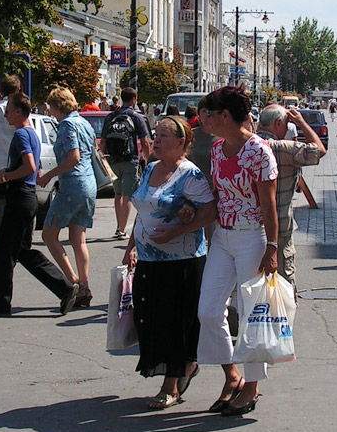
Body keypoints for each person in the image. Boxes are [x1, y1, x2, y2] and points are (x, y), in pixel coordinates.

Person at [122, 116, 217, 409]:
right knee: (148, 318)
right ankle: (187, 364)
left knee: (173, 323)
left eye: (164, 136)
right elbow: (143, 210)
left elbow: (211, 211)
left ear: (181, 144)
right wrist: (131, 245)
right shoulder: (150, 168)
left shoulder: (190, 175)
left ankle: (171, 387)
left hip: (182, 261)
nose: (156, 140)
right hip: (149, 259)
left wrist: (178, 229)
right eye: (155, 135)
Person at [196, 85, 279, 417]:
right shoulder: (218, 149)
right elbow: (219, 197)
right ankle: (232, 374)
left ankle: (252, 386)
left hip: (251, 239)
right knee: (208, 311)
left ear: (225, 116)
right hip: (222, 237)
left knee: (250, 314)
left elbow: (269, 204)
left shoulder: (259, 152)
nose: (205, 120)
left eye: (209, 115)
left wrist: (272, 248)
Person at [0, 92, 79, 318]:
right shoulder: (31, 133)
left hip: (19, 197)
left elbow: (30, 167)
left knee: (3, 254)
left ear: (18, 112)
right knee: (22, 252)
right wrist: (8, 172)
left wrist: (5, 177)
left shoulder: (22, 135)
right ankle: (64, 289)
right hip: (27, 197)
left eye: (8, 111)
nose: (4, 115)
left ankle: (0, 305)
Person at [37, 86, 98, 306]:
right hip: (89, 184)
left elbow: (73, 157)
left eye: (50, 106)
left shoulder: (67, 125)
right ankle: (85, 286)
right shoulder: (84, 122)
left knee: (49, 235)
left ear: (57, 105)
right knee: (77, 239)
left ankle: (74, 283)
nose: (49, 110)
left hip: (73, 184)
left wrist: (49, 176)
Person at [256, 104, 325, 291]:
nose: (287, 128)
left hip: (250, 230)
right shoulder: (284, 149)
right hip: (280, 228)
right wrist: (301, 123)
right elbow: (319, 150)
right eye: (287, 124)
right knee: (283, 285)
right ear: (278, 123)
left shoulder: (246, 147)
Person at [101, 87, 151, 239]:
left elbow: (103, 141)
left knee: (117, 193)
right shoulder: (136, 117)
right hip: (130, 159)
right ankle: (122, 229)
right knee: (127, 195)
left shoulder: (111, 116)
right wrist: (148, 160)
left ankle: (118, 226)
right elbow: (144, 141)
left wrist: (103, 159)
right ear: (134, 100)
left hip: (113, 160)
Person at [0, 76, 22, 239]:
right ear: (17, 91)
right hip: (14, 162)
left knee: (1, 205)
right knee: (19, 205)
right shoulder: (17, 110)